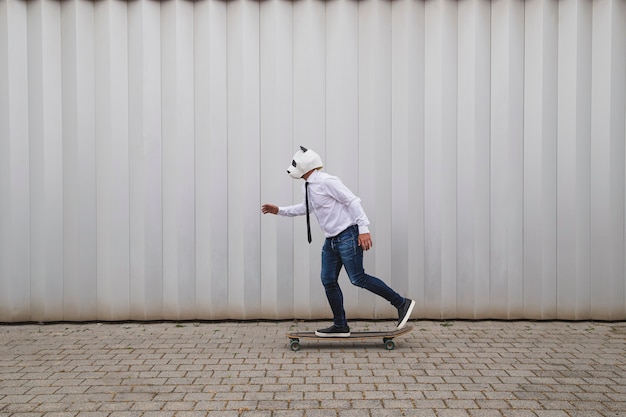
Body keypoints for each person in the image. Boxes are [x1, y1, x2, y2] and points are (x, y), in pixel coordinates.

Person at [261, 146, 415, 337]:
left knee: (358, 278)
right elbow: (307, 207)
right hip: (331, 241)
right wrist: (280, 210)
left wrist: (363, 229)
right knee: (328, 279)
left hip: (348, 235)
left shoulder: (327, 181)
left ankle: (401, 303)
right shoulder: (307, 185)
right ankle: (340, 324)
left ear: (306, 165)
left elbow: (352, 201)